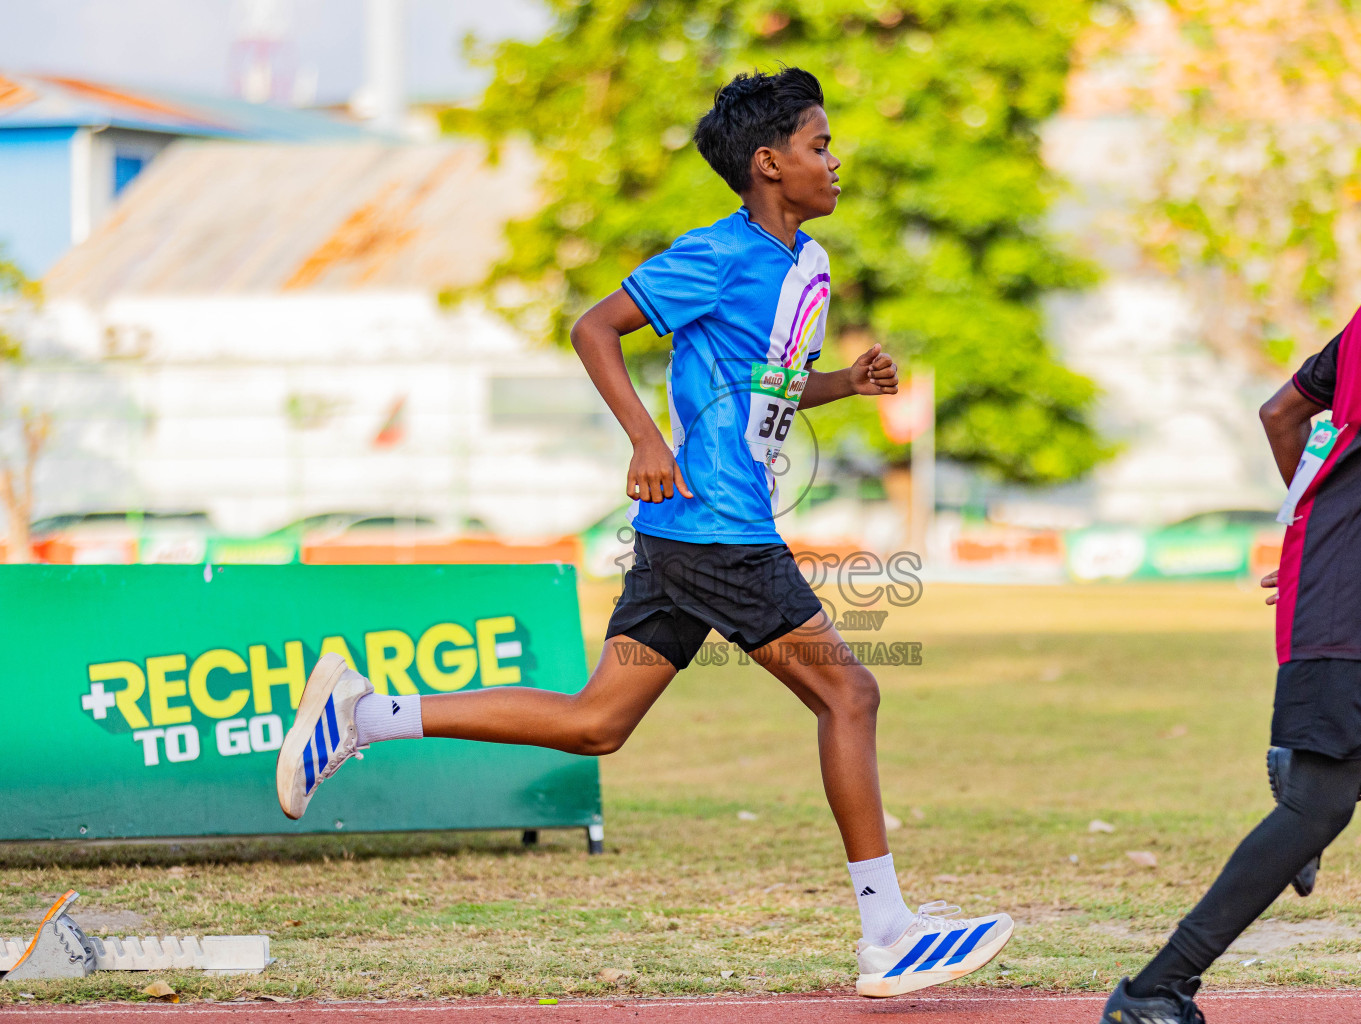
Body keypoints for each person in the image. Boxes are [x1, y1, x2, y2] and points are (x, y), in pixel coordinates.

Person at [275, 66, 1011, 999]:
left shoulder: (809, 268)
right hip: (714, 529)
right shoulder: (715, 254)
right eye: (821, 145)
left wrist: (846, 386)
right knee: (851, 696)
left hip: (689, 535)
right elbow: (595, 329)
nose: (836, 161)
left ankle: (364, 716)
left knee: (596, 723)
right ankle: (887, 933)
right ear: (769, 164)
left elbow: (770, 384)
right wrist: (646, 437)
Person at [1102, 132, 1361, 1023]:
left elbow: (1282, 409)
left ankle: (1345, 775)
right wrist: (1320, 549)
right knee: (1310, 818)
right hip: (1358, 601)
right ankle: (1153, 991)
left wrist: (1311, 532)